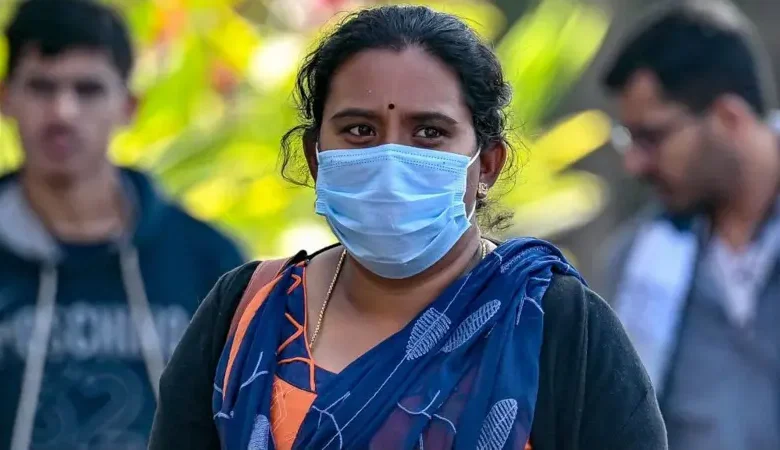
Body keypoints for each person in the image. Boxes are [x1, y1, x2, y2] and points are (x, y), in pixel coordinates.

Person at [149, 5, 666, 450]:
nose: (391, 162)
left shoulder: (555, 326)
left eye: (429, 132)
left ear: (486, 164)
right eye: (360, 129)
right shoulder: (248, 312)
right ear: (315, 157)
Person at [0, 1, 245, 449]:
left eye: (88, 89)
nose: (62, 112)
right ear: (5, 98)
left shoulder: (209, 262)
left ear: (129, 106)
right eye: (41, 87)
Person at [600, 1, 780, 449]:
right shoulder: (636, 267)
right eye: (629, 139)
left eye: (651, 137)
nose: (635, 163)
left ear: (729, 117)